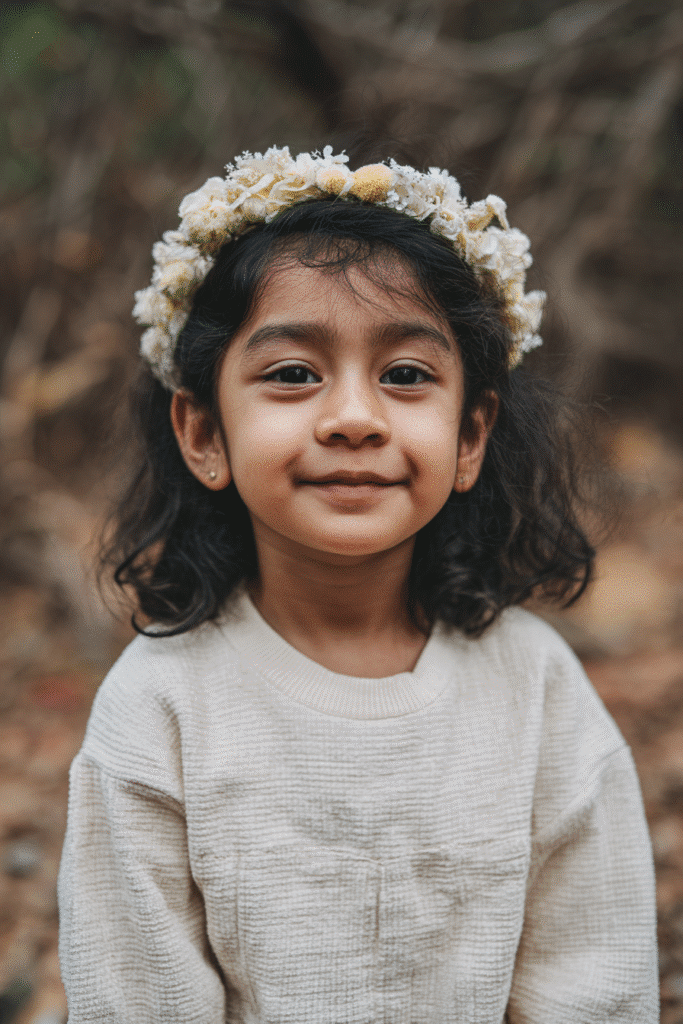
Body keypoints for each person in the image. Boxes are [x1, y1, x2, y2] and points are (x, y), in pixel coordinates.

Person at [57, 146, 658, 1023]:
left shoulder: (535, 690)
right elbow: (133, 995)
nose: (351, 418)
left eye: (406, 375)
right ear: (203, 433)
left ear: (469, 436)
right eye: (292, 373)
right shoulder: (158, 711)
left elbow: (594, 981)